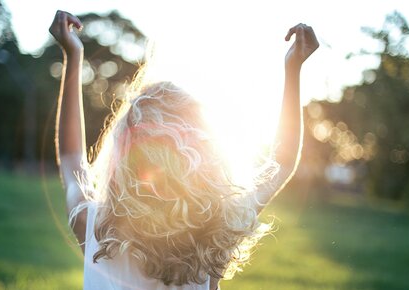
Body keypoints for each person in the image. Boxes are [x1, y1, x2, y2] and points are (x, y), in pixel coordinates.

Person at [49, 10, 318, 290]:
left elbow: (72, 158)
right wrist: (293, 68)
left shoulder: (95, 227)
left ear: (124, 157)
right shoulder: (217, 232)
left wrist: (73, 56)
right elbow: (282, 160)